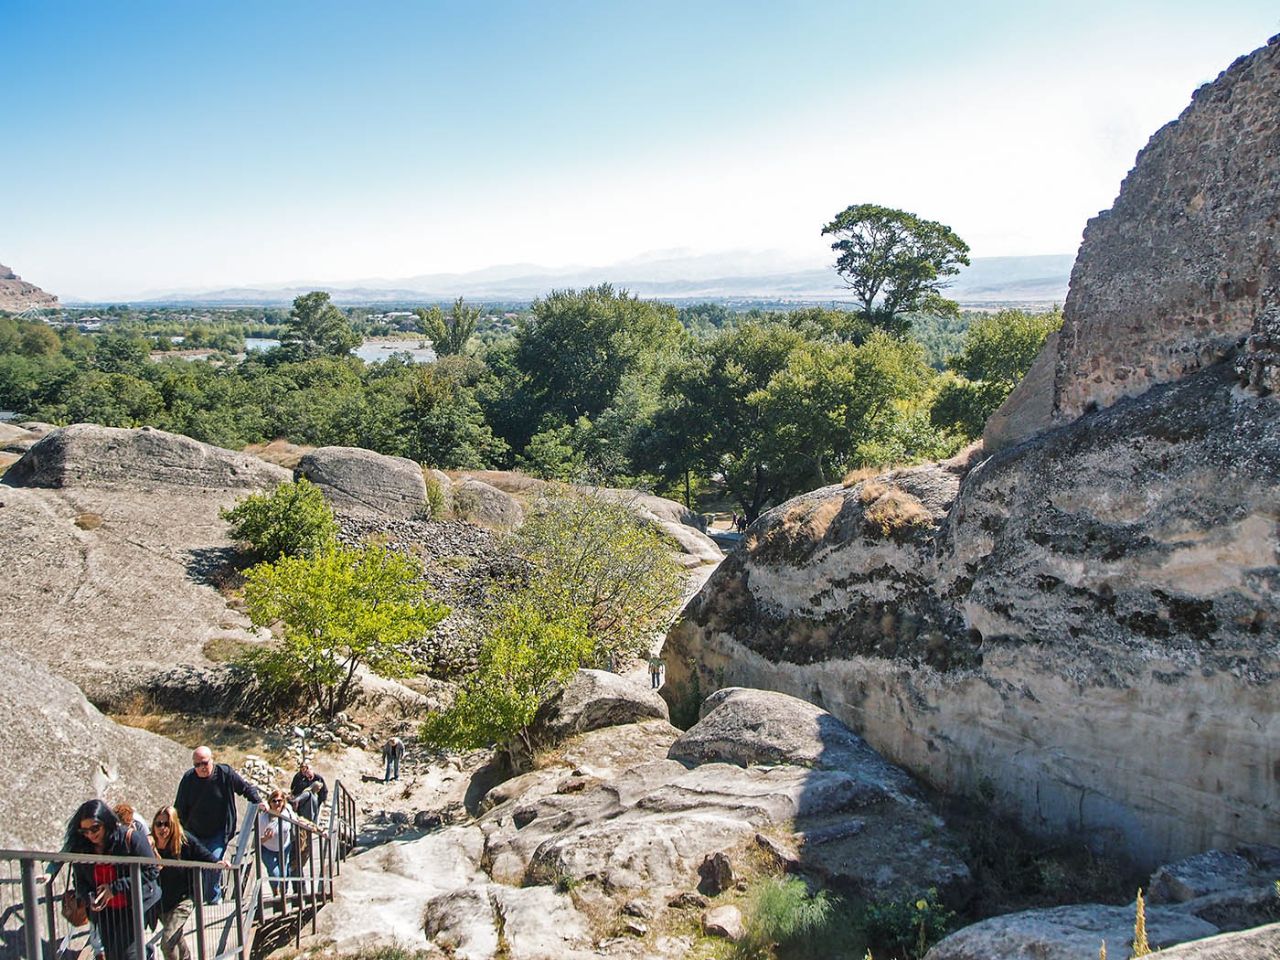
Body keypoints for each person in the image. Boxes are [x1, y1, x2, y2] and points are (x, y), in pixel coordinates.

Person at [66, 799, 160, 960]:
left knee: (127, 954)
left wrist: (114, 888)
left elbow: (151, 870)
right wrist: (89, 897)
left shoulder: (130, 838)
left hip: (132, 905)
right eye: (84, 831)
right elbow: (79, 880)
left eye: (95, 828)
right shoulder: (82, 848)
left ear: (106, 822)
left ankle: (146, 954)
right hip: (105, 911)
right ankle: (147, 954)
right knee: (112, 954)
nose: (90, 834)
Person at [173, 746, 264, 903]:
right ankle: (199, 903)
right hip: (195, 832)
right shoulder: (188, 779)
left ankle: (214, 900)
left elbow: (244, 788)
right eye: (197, 765)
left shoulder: (224, 773)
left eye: (204, 763)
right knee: (197, 869)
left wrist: (258, 801)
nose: (201, 768)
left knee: (214, 863)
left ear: (212, 760)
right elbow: (179, 807)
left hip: (218, 831)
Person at [150, 806, 224, 960]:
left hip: (184, 898)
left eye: (167, 824)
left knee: (167, 940)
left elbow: (204, 855)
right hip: (162, 901)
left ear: (174, 824)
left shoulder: (184, 840)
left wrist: (218, 863)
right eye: (159, 824)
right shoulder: (150, 844)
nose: (162, 828)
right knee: (176, 936)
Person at [256, 790, 298, 896]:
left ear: (283, 802)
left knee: (284, 871)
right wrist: (265, 838)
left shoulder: (287, 812)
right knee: (274, 872)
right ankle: (276, 891)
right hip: (267, 848)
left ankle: (283, 892)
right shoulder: (263, 819)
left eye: (279, 801)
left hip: (285, 846)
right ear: (270, 803)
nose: (277, 803)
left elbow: (297, 821)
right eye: (274, 801)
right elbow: (257, 840)